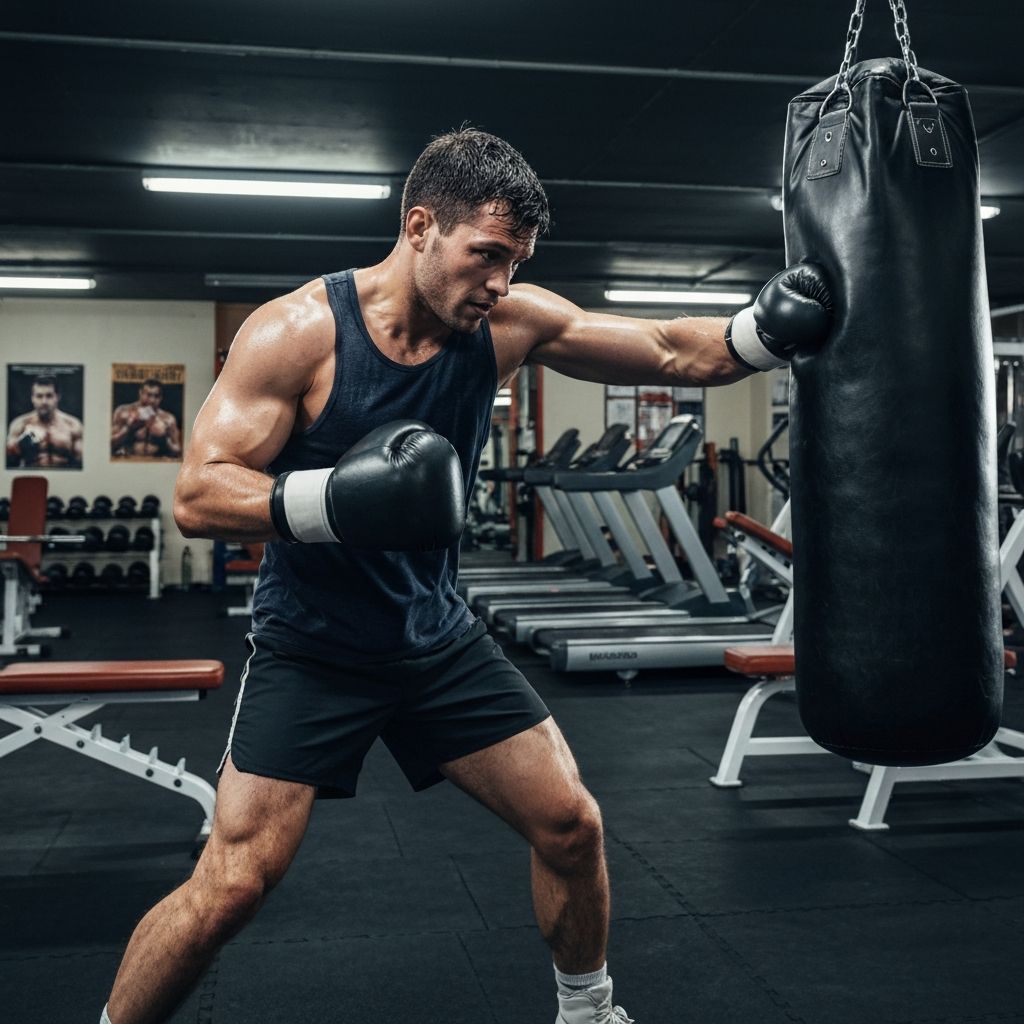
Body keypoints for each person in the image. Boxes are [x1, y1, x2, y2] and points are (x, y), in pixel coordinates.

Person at [100, 128, 831, 1024]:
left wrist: (761, 333)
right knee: (232, 886)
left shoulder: (509, 323)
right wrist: (341, 502)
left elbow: (676, 351)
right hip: (313, 648)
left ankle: (589, 1011)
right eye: (486, 255)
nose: (499, 283)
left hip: (436, 639)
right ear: (419, 228)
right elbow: (198, 494)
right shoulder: (298, 331)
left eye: (515, 262)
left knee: (571, 824)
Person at [5, 374, 83, 468]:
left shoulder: (73, 425)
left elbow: (81, 462)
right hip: (32, 479)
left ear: (57, 397)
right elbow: (8, 461)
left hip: (65, 479)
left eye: (49, 396)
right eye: (39, 396)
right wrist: (23, 442)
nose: (44, 401)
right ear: (32, 398)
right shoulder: (20, 424)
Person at [111, 378, 183, 459]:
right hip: (129, 461)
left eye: (156, 396)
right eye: (148, 395)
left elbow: (178, 451)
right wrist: (128, 428)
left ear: (161, 397)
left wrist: (164, 439)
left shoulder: (168, 419)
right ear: (140, 393)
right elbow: (110, 445)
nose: (152, 400)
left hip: (156, 463)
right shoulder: (123, 412)